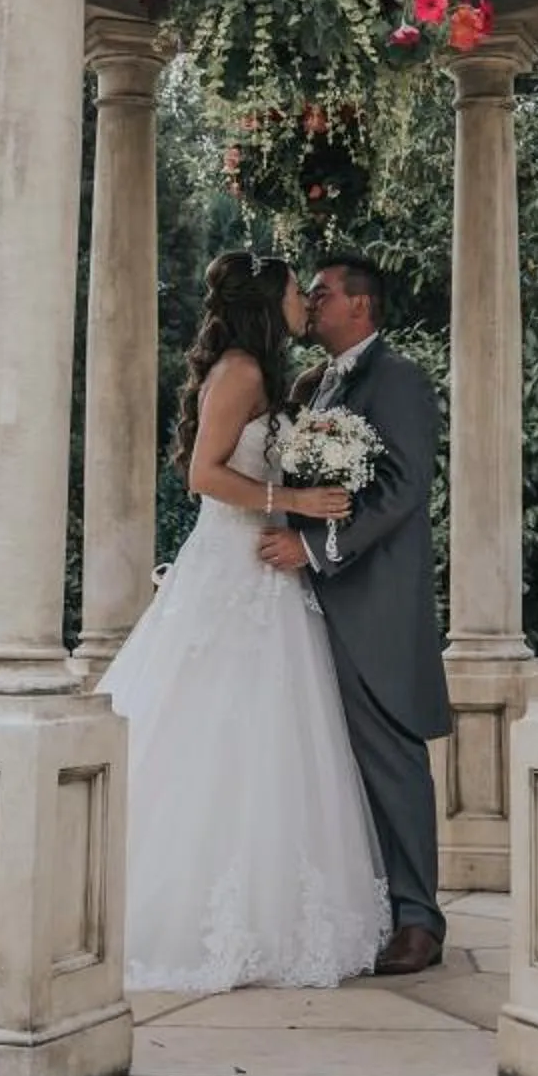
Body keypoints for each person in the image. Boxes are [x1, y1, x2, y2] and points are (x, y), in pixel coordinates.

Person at [96, 251, 391, 991]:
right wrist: (291, 504)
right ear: (269, 301)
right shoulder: (240, 372)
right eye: (298, 292)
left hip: (265, 573)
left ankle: (274, 913)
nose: (306, 302)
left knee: (272, 735)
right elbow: (203, 474)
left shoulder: (268, 377)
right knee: (210, 725)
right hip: (230, 568)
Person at [260, 254, 453, 976]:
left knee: (390, 757)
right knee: (327, 765)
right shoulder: (315, 386)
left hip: (369, 601)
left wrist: (313, 547)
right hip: (307, 605)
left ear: (362, 307)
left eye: (324, 293)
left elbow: (402, 492)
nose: (311, 304)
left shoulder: (397, 380)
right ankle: (366, 908)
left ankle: (418, 919)